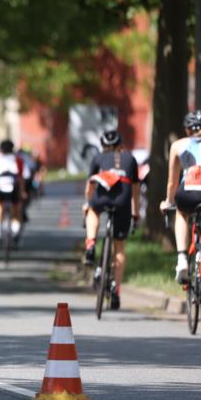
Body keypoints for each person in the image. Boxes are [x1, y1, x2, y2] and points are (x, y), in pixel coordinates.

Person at [159, 110, 201, 319]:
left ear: (188, 129)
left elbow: (172, 181)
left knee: (181, 213)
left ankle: (182, 259)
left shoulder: (178, 146)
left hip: (188, 191)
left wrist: (168, 202)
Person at [82, 129, 140, 310]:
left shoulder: (98, 158)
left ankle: (91, 243)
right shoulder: (130, 159)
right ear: (120, 145)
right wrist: (135, 212)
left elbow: (90, 184)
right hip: (123, 198)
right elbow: (136, 190)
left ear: (103, 145)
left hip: (102, 196)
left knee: (93, 210)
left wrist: (87, 203)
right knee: (119, 246)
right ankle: (116, 288)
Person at [0, 139, 24, 245]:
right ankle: (15, 230)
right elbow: (20, 178)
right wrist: (22, 192)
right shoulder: (18, 159)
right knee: (16, 208)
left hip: (0, 188)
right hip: (14, 187)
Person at [17, 147, 39, 222]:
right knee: (27, 196)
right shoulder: (27, 158)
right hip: (26, 179)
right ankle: (22, 211)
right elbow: (33, 168)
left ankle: (20, 211)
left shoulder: (14, 157)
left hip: (16, 180)